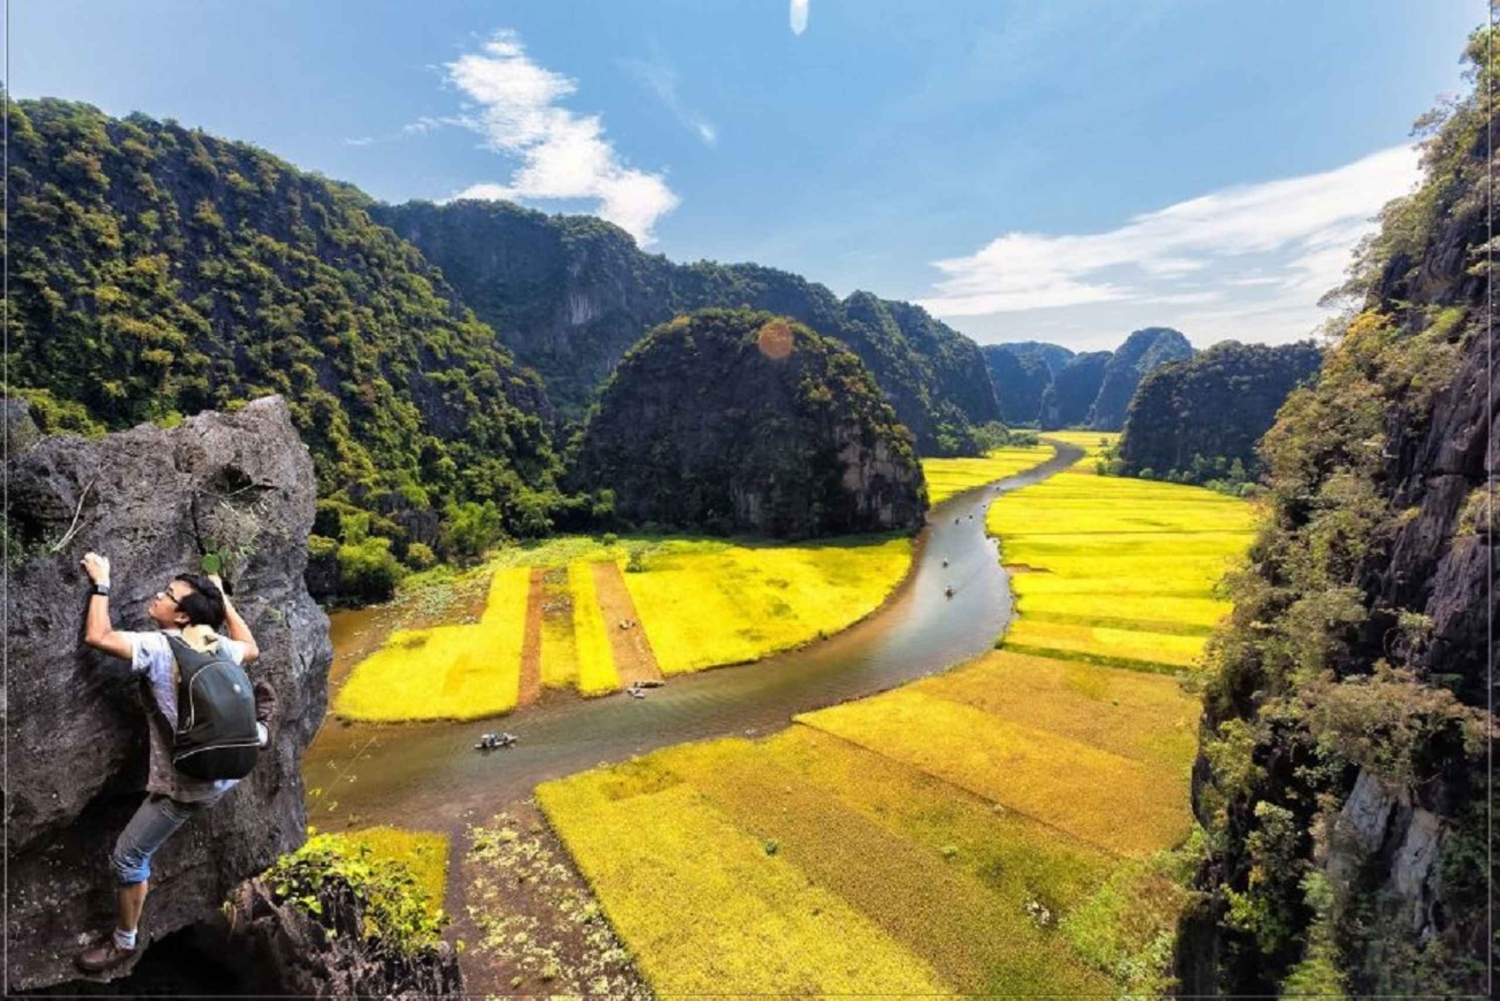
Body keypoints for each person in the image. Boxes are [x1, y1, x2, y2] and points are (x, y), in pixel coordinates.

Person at [73, 551, 275, 974]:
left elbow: (99, 635)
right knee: (249, 722)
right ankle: (258, 729)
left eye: (167, 595)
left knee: (127, 858)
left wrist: (102, 582)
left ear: (181, 616)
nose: (157, 596)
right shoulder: (219, 644)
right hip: (230, 767)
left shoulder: (157, 647)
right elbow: (252, 649)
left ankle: (123, 943)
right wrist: (223, 598)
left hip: (191, 783)